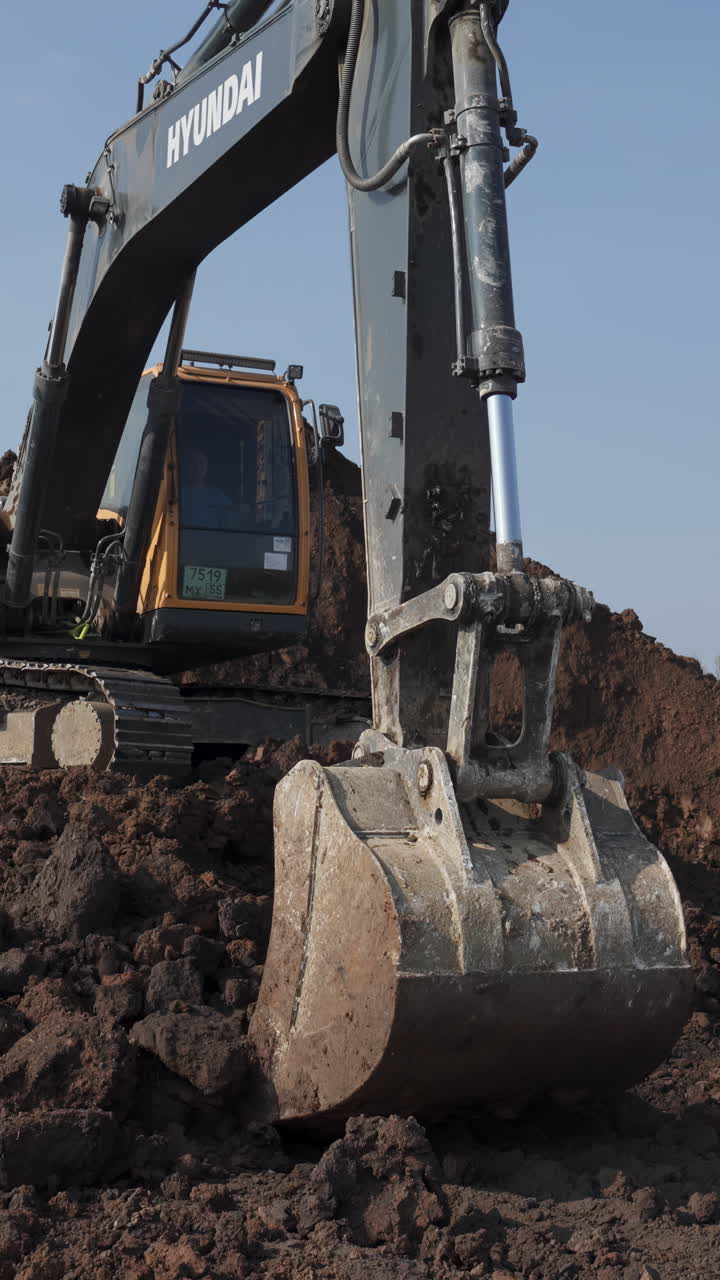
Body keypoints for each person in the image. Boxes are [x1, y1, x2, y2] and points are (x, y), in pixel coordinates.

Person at [181, 447, 233, 529]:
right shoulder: (179, 494)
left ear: (206, 466)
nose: (197, 467)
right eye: (193, 463)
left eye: (201, 463)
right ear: (187, 466)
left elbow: (231, 515)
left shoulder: (216, 495)